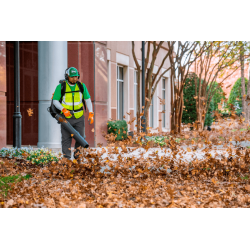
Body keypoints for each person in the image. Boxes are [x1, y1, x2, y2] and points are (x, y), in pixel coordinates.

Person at [52, 67, 94, 159]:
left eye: (76, 76)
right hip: (66, 117)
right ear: (67, 76)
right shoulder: (61, 87)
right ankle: (66, 159)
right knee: (66, 139)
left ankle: (77, 157)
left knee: (80, 137)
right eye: (72, 77)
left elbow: (88, 100)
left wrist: (91, 113)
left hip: (79, 117)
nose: (75, 79)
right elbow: (55, 101)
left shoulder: (81, 86)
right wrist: (63, 109)